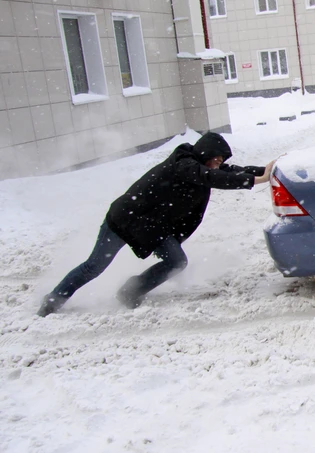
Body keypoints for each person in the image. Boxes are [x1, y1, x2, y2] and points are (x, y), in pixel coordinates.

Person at [37, 132, 276, 317]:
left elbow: (227, 170)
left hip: (151, 226)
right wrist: (256, 180)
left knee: (176, 261)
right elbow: (213, 177)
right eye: (215, 159)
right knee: (94, 266)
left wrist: (264, 170)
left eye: (220, 160)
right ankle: (52, 301)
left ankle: (130, 292)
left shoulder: (202, 165)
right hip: (124, 219)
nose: (218, 163)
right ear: (204, 154)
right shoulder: (184, 165)